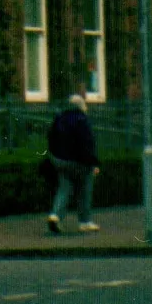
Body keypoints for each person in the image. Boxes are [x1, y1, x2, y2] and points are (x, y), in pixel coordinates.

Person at [47, 93, 100, 233]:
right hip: (79, 162)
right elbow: (87, 144)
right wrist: (93, 163)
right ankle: (85, 221)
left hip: (60, 161)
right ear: (81, 106)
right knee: (85, 188)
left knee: (64, 189)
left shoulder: (59, 118)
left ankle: (55, 215)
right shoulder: (82, 120)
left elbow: (51, 137)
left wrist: (54, 156)